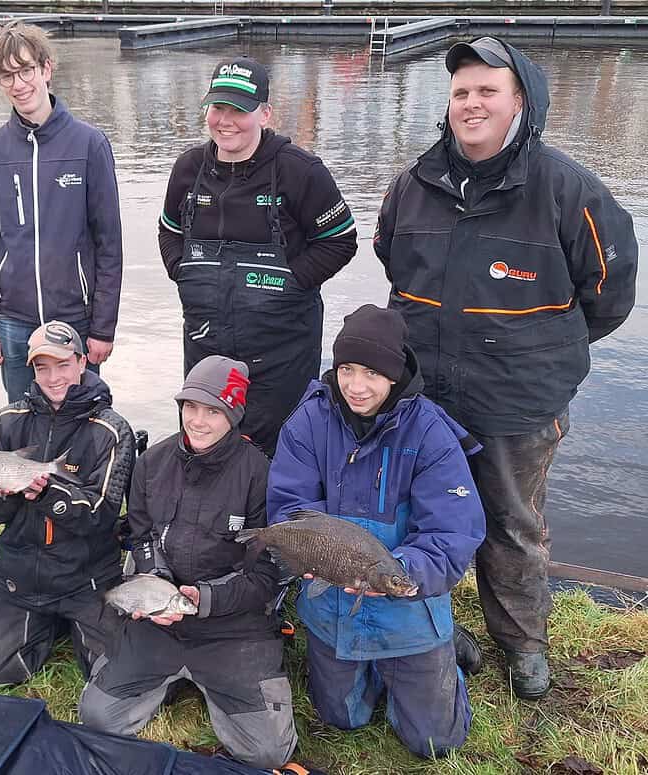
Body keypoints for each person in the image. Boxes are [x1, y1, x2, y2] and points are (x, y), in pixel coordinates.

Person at [373, 37, 638, 699]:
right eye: (461, 91)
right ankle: (434, 627)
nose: (470, 103)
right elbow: (390, 261)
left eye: (486, 90)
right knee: (418, 515)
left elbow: (608, 291)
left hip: (518, 400)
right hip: (425, 394)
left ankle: (520, 643)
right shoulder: (412, 184)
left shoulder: (566, 188)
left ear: (520, 100)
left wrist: (543, 356)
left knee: (512, 525)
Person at [268, 305, 486, 758]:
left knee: (434, 742)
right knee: (341, 719)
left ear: (394, 374)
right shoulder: (309, 420)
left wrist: (400, 575)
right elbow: (289, 508)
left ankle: (445, 657)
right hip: (333, 604)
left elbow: (452, 533)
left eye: (371, 372)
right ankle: (371, 673)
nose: (356, 386)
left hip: (408, 610)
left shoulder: (430, 432)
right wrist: (306, 555)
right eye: (346, 369)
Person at [79, 355, 297, 770]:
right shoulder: (151, 463)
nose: (197, 420)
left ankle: (204, 677)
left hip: (233, 627)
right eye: (190, 406)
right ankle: (171, 673)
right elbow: (141, 537)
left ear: (234, 413)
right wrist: (157, 580)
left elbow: (267, 573)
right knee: (97, 717)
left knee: (269, 752)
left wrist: (207, 598)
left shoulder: (261, 474)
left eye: (212, 410)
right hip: (162, 619)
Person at [158, 56, 357, 456]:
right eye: (218, 108)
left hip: (280, 351)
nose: (226, 121)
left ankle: (283, 519)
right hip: (205, 343)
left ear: (265, 113)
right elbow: (169, 231)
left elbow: (341, 240)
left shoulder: (300, 171)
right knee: (208, 448)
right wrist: (184, 273)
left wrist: (291, 281)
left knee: (279, 455)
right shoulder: (188, 169)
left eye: (240, 110)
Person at [0, 320, 134, 686]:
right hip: (19, 576)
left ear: (81, 362)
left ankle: (71, 621)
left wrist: (46, 494)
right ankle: (44, 625)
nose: (53, 376)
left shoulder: (112, 430)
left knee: (117, 680)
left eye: (62, 365)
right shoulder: (8, 420)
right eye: (42, 367)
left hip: (85, 577)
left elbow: (103, 515)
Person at [0, 20, 124, 403]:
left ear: (46, 69)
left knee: (81, 419)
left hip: (75, 317)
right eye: (7, 76)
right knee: (22, 422)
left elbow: (109, 243)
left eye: (26, 71)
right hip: (13, 321)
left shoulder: (89, 144)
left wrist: (103, 328)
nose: (19, 84)